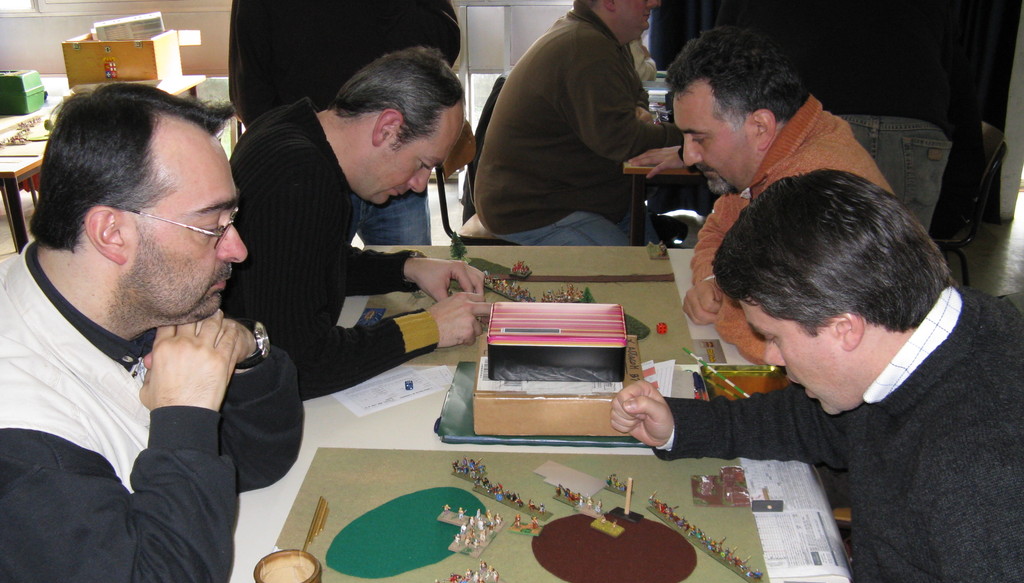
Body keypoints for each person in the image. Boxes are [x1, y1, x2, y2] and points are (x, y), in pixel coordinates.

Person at [612, 170, 1024, 583]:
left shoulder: (984, 471)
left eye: (775, 339)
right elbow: (813, 422)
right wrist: (680, 425)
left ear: (843, 329)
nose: (771, 358)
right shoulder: (925, 344)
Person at [0, 83, 303, 583]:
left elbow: (258, 462)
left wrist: (247, 354)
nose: (238, 249)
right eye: (212, 225)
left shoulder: (123, 304)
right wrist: (185, 416)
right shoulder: (17, 433)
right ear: (112, 233)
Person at [226, 47, 489, 400]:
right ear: (388, 128)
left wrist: (407, 268)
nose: (418, 184)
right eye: (422, 164)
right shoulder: (300, 178)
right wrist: (429, 327)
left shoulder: (292, 126)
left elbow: (306, 265)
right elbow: (299, 364)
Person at [630, 26, 889, 363]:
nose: (689, 157)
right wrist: (710, 277)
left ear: (760, 127)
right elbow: (718, 226)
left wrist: (725, 303)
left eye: (700, 138)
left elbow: (783, 340)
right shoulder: (776, 151)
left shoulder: (811, 189)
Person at [715, 0, 985, 236]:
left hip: (811, 122)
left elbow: (719, 65)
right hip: (912, 129)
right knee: (899, 267)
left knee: (797, 262)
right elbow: (959, 85)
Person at [229, 0, 461, 246]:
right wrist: (279, 148)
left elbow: (439, 48)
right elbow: (249, 76)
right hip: (303, 165)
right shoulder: (289, 169)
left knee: (399, 261)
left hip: (397, 153)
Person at [473, 0, 683, 246]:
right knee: (635, 268)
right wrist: (692, 136)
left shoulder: (599, 37)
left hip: (576, 196)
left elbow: (636, 90)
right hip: (536, 210)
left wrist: (639, 109)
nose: (655, 2)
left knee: (654, 262)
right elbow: (624, 141)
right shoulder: (586, 47)